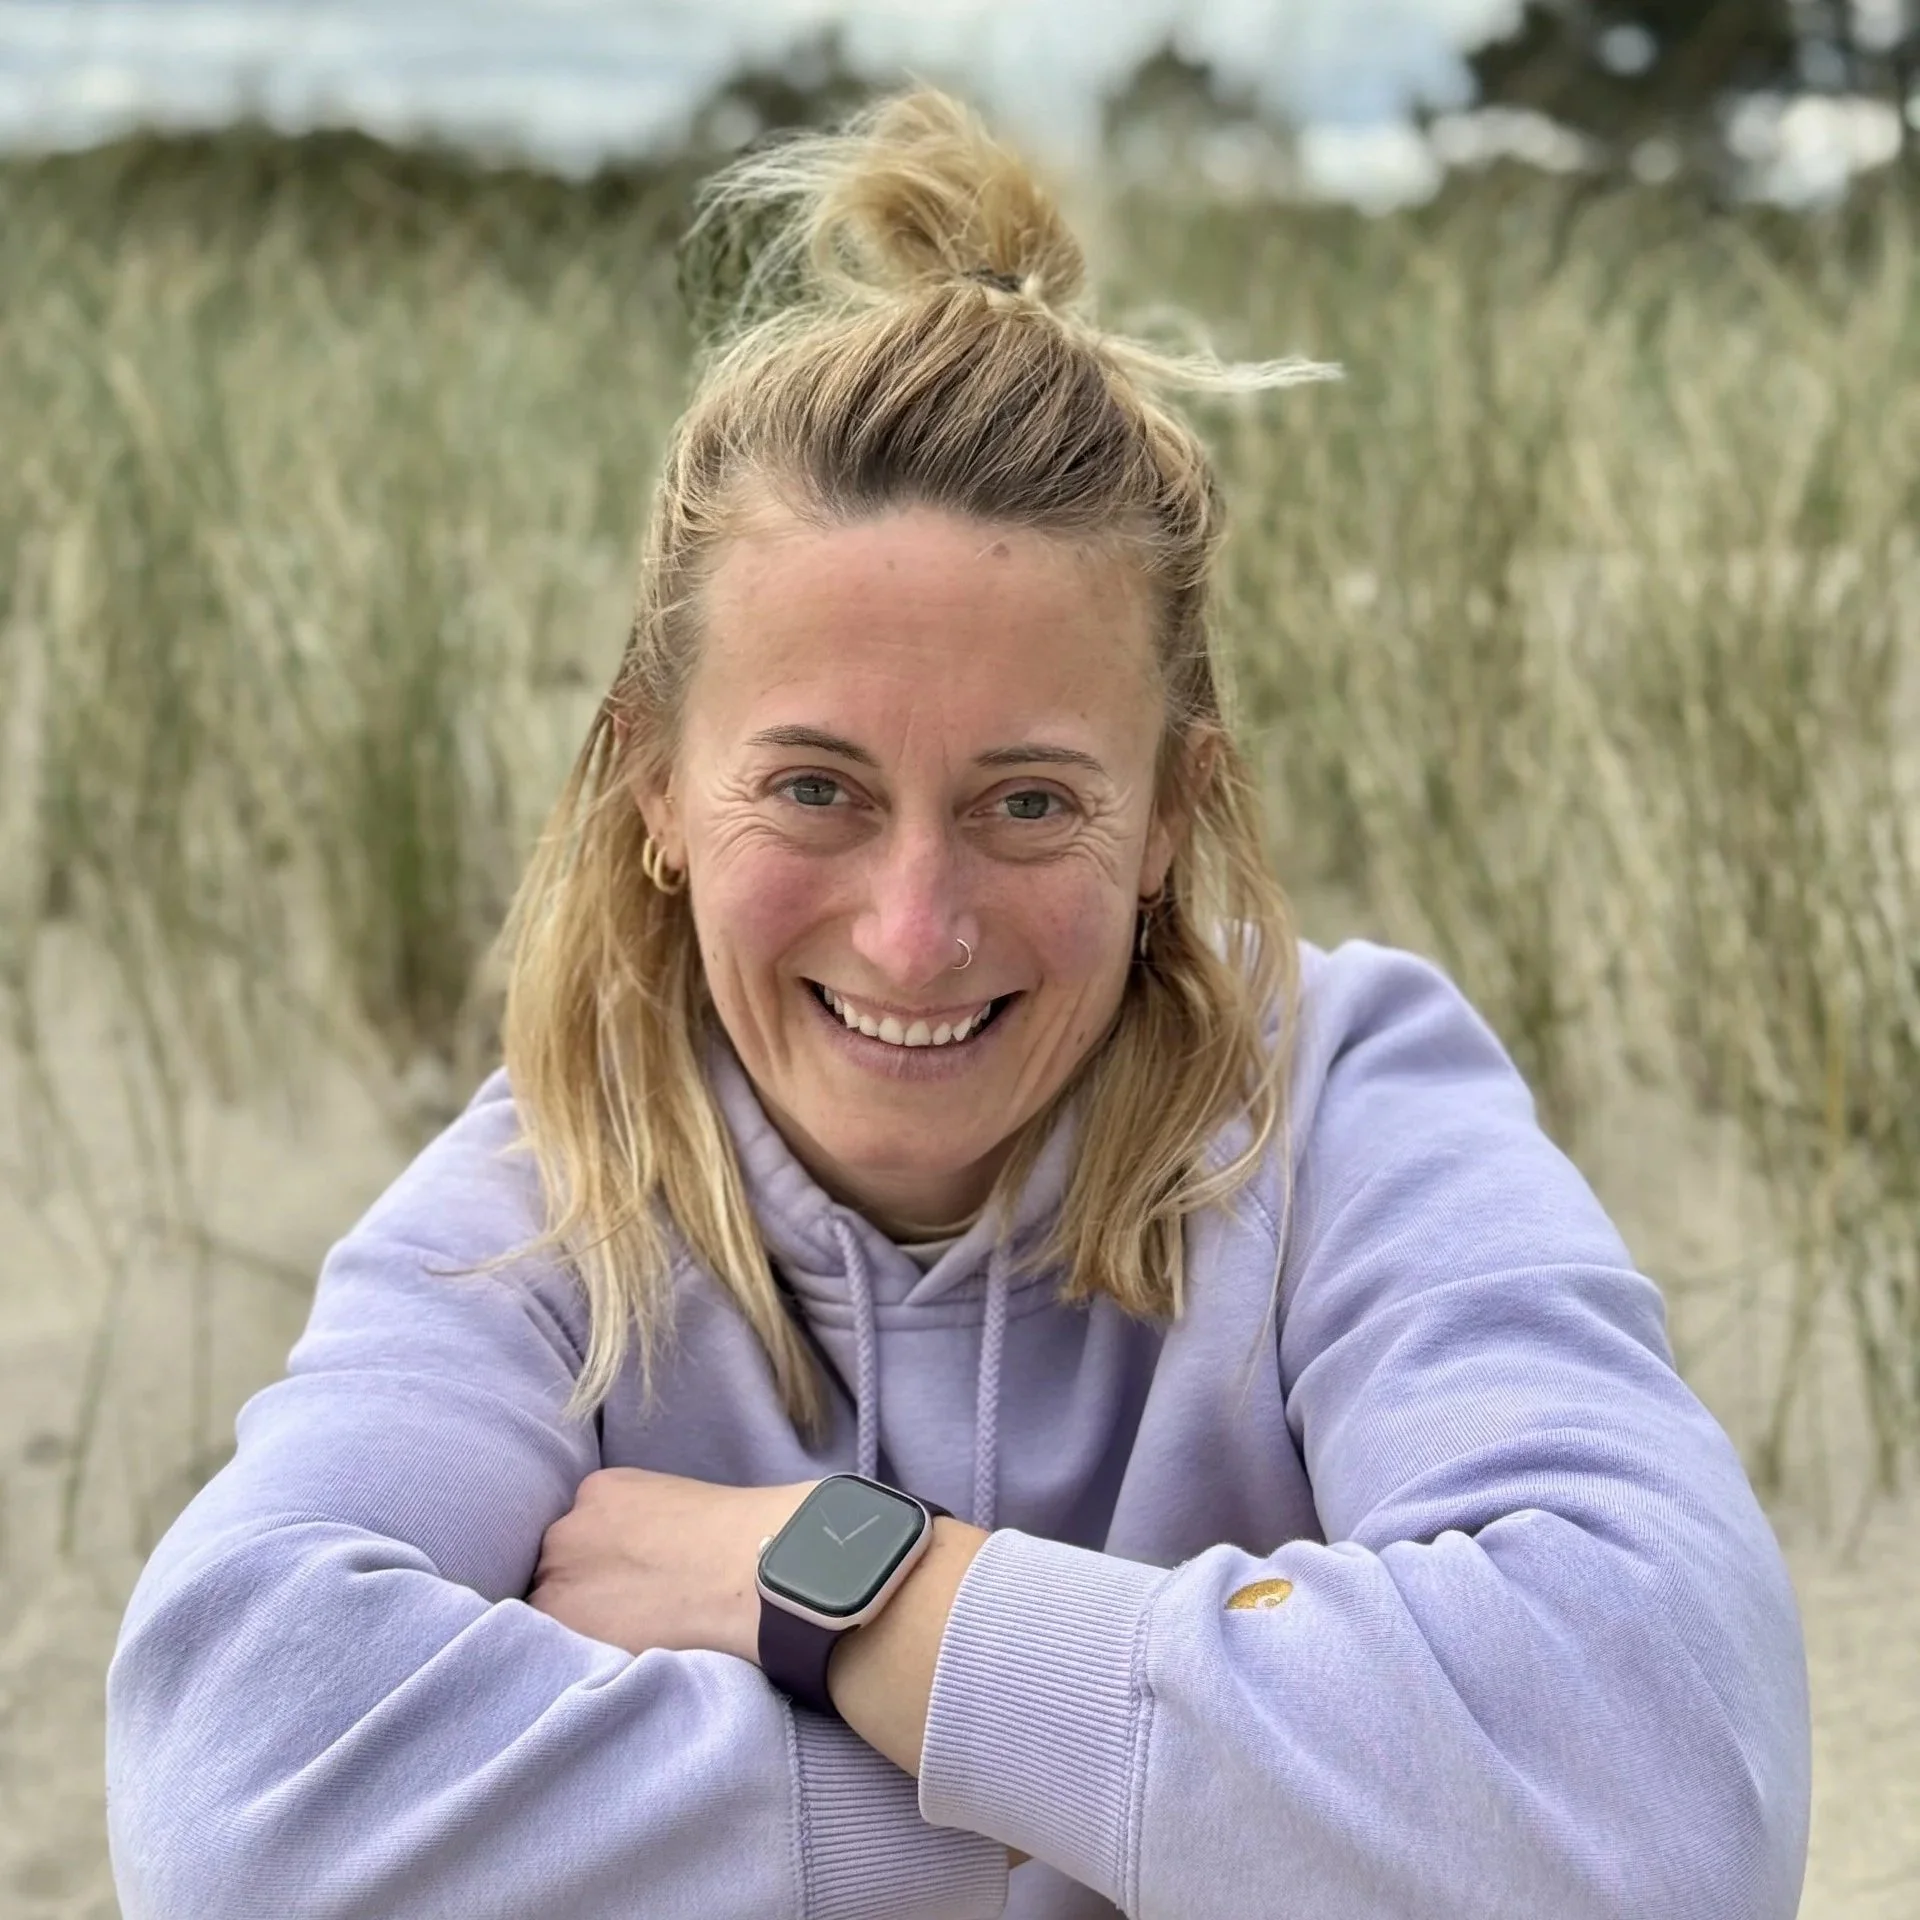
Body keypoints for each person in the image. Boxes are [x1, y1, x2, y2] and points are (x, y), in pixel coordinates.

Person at [104, 89, 1810, 1920]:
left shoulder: (1346, 1105)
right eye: (814, 788)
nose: (915, 936)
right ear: (654, 787)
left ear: (1169, 816)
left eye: (1031, 803)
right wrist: (1156, 1818)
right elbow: (241, 1801)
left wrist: (842, 1586)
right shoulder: (549, 1202)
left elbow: (1665, 1783)